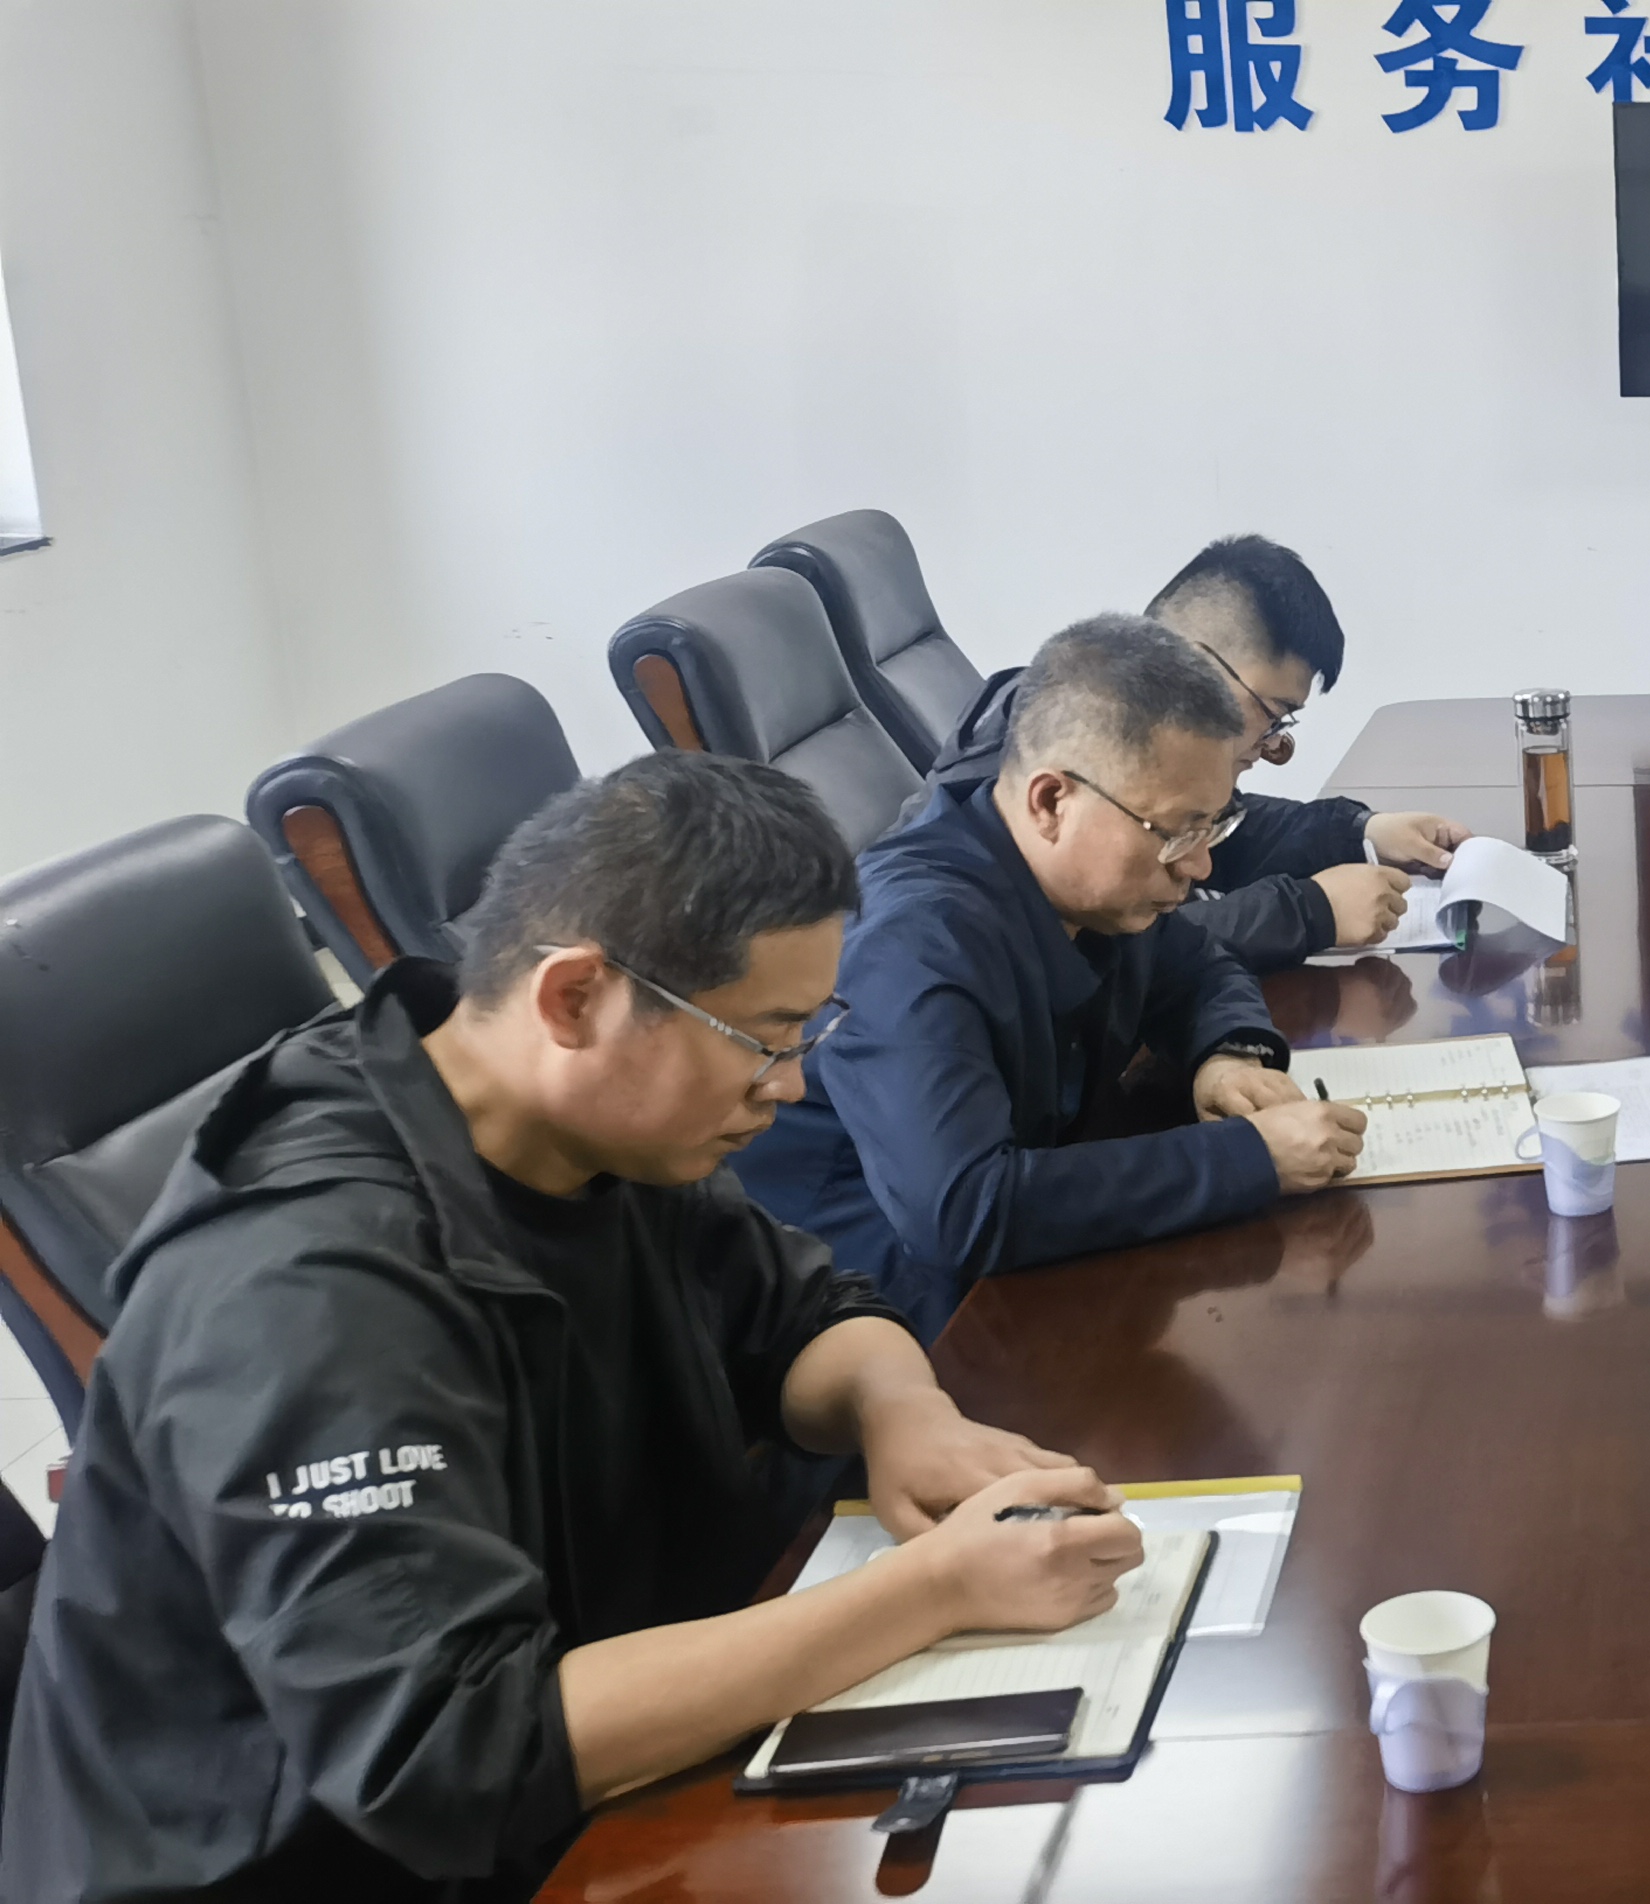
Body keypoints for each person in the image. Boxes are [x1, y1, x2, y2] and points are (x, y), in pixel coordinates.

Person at [4, 752, 1145, 1901]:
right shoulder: (305, 1291)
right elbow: (456, 1748)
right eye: (767, 1037)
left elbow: (804, 1308)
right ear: (574, 998)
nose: (791, 1085)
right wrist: (931, 1589)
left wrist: (901, 1411)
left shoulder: (581, 1120)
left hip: (601, 1765)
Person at [742, 616, 1370, 1339]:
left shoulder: (1099, 889)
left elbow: (1199, 965)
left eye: (1212, 828)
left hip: (1024, 1256)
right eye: (1177, 833)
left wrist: (1227, 1055)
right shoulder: (913, 944)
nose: (1198, 866)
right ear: (1050, 802)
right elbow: (965, 1211)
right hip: (883, 1313)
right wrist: (1250, 1158)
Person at [931, 534, 1471, 973]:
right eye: (1271, 713)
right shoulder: (1040, 762)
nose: (1272, 746)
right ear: (1196, 664)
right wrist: (1310, 912)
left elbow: (1224, 835)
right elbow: (1118, 946)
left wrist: (1359, 832)